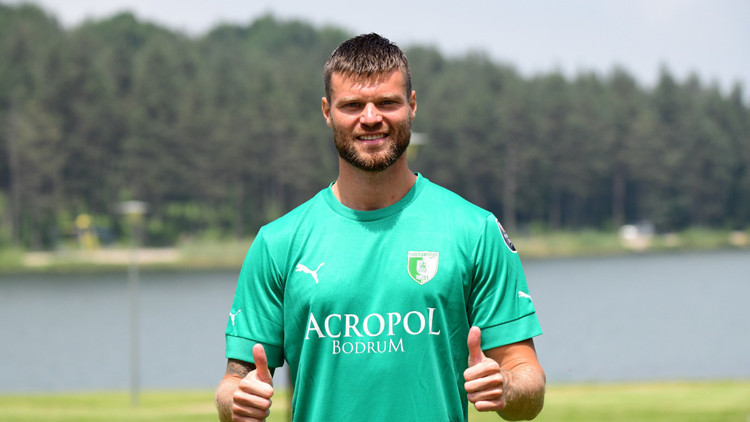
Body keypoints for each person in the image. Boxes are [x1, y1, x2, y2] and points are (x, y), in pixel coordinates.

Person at [215, 33, 545, 422]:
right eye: (352, 105)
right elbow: (233, 382)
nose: (371, 118)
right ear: (327, 111)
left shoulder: (474, 230)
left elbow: (527, 378)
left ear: (412, 105)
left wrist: (507, 386)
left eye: (387, 102)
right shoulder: (278, 243)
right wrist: (237, 400)